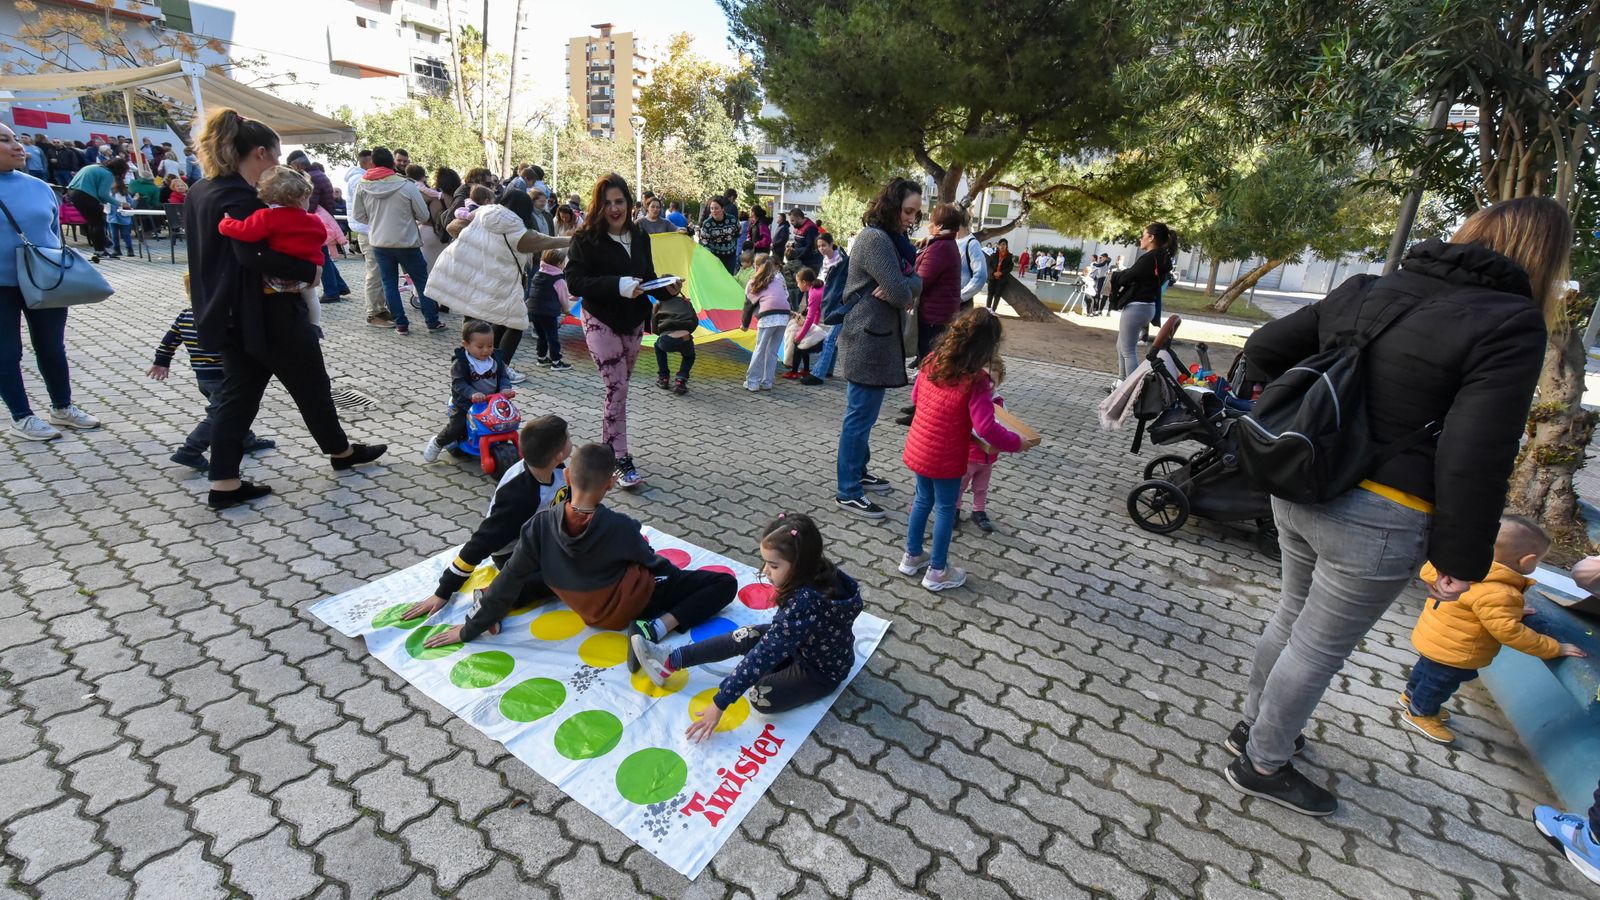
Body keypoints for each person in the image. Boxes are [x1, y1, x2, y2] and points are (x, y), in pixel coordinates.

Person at [1226, 197, 1571, 817]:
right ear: (1543, 259)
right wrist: (1461, 559)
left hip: (1302, 482)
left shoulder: (1372, 288)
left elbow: (1267, 346)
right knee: (1316, 646)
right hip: (1380, 516)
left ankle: (1254, 727)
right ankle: (1263, 762)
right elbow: (1476, 453)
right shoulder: (1509, 322)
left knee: (1291, 618)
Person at [185, 108, 386, 509]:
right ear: (259, 153)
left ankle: (224, 482)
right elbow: (252, 255)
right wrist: (308, 268)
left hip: (226, 314)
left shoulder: (200, 191)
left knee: (238, 397)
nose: (275, 166)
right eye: (275, 157)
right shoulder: (241, 198)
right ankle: (340, 453)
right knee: (311, 387)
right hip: (267, 313)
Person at [419, 443, 737, 651]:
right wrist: (673, 579)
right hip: (629, 608)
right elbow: (655, 564)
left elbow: (509, 578)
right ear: (610, 484)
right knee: (724, 583)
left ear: (567, 475)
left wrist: (469, 629)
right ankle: (659, 627)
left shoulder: (538, 526)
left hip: (577, 599)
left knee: (537, 572)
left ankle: (491, 606)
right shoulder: (623, 528)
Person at [633, 513, 864, 736]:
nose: (765, 571)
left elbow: (765, 654)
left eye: (773, 566)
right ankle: (671, 659)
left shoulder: (805, 602)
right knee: (745, 636)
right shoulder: (815, 570)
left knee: (760, 695)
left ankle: (765, 674)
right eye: (766, 563)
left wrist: (720, 702)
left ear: (800, 565)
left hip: (820, 670)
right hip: (800, 642)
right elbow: (775, 643)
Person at [1399, 517, 1584, 744]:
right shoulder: (1500, 593)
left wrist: (1511, 610)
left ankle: (1410, 696)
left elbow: (1480, 608)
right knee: (1439, 683)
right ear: (1527, 561)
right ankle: (1421, 712)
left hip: (1435, 637)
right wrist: (1554, 647)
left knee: (1427, 669)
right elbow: (1510, 632)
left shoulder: (1459, 568)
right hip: (1457, 651)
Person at [899, 308, 1031, 590]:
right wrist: (1016, 443)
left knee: (922, 499)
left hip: (920, 446)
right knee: (946, 508)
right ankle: (937, 571)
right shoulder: (977, 381)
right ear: (988, 346)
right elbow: (985, 428)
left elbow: (915, 396)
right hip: (946, 455)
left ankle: (911, 556)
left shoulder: (932, 360)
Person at [563, 173, 681, 490]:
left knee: (619, 390)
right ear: (598, 205)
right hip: (599, 320)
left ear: (629, 203)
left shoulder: (640, 235)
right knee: (617, 389)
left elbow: (648, 278)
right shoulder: (585, 238)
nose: (614, 208)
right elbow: (574, 282)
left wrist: (667, 288)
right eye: (607, 202)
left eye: (619, 201)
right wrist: (616, 285)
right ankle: (618, 458)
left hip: (633, 323)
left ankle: (608, 450)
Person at [402, 415, 572, 625]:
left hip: (538, 534)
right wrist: (443, 591)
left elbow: (569, 498)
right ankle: (492, 597)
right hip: (512, 552)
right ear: (559, 453)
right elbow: (480, 544)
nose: (571, 440)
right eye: (568, 437)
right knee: (563, 576)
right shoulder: (520, 497)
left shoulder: (556, 468)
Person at [0, 124, 100, 442]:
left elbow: (54, 233)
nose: (19, 146)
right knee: (6, 352)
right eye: (5, 140)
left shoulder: (38, 186)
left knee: (52, 348)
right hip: (1, 286)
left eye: (16, 138)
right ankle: (22, 416)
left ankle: (62, 408)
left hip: (45, 279)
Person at [834, 177, 924, 519]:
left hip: (877, 336)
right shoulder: (876, 240)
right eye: (907, 211)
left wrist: (908, 284)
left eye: (915, 213)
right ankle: (848, 491)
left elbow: (912, 283)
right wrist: (907, 286)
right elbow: (903, 294)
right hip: (867, 338)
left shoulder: (893, 241)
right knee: (858, 417)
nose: (911, 219)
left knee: (865, 416)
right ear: (891, 206)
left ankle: (858, 471)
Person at [429, 190, 569, 382]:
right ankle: (500, 369)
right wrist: (571, 240)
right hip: (499, 284)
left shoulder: (482, 214)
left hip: (475, 280)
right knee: (517, 322)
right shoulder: (516, 229)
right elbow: (542, 241)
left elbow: (452, 227)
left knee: (498, 321)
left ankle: (480, 365)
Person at [149, 290, 274, 472]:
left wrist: (161, 361)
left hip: (204, 377)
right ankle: (190, 450)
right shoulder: (224, 315)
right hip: (223, 376)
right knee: (222, 413)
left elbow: (170, 339)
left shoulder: (186, 313)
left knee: (236, 407)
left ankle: (245, 439)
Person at [351, 147, 440, 335]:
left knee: (389, 283)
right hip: (407, 242)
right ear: (392, 163)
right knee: (422, 281)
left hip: (379, 243)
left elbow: (358, 215)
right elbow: (423, 215)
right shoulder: (407, 185)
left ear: (373, 163)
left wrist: (377, 222)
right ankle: (432, 322)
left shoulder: (363, 185)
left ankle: (401, 324)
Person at [422, 321, 516, 462]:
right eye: (480, 347)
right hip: (466, 403)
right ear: (466, 345)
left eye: (490, 346)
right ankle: (438, 443)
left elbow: (503, 376)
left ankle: (502, 445)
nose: (486, 350)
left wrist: (505, 388)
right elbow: (458, 383)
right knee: (457, 426)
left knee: (507, 422)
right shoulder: (461, 363)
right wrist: (472, 393)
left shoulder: (495, 359)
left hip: (492, 402)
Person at [1108, 224, 1176, 381]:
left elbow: (1128, 277)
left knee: (1128, 350)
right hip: (1146, 306)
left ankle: (1134, 388)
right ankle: (1121, 383)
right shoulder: (1160, 257)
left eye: (1143, 235)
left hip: (1137, 307)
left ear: (1151, 237)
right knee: (1121, 346)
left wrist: (1117, 275)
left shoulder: (1150, 258)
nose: (1141, 239)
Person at [742, 253, 790, 391]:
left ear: (755, 266)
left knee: (760, 349)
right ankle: (767, 382)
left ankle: (752, 382)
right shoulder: (778, 279)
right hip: (783, 317)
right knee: (773, 351)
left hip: (769, 317)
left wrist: (744, 325)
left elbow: (748, 305)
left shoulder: (754, 282)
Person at [65, 155, 127, 261]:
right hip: (85, 195)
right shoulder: (108, 174)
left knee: (92, 222)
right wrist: (120, 204)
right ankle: (101, 251)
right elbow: (103, 194)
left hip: (73, 193)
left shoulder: (93, 167)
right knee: (98, 223)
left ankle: (99, 249)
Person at [809, 232, 849, 383]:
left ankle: (818, 374)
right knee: (833, 339)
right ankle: (828, 370)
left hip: (840, 304)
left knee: (829, 339)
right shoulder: (826, 260)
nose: (821, 249)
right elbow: (823, 279)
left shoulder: (842, 261)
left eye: (824, 245)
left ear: (832, 244)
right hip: (830, 303)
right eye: (819, 246)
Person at [529, 248, 574, 371]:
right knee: (552, 337)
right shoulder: (558, 279)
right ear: (559, 263)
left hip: (534, 311)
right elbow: (563, 298)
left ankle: (541, 358)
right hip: (548, 313)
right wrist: (566, 310)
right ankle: (556, 362)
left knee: (541, 336)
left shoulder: (538, 274)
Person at [652, 283, 698, 395]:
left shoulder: (659, 304)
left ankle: (663, 377)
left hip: (667, 339)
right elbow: (695, 321)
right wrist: (687, 331)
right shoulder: (685, 302)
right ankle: (681, 379)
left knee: (658, 347)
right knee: (689, 356)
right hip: (685, 338)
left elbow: (654, 329)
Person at [782, 266, 823, 381]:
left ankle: (794, 372)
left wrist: (799, 336)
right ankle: (805, 369)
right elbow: (817, 312)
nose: (797, 285)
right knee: (805, 339)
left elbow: (810, 318)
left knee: (797, 342)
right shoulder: (815, 289)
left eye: (798, 282)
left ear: (804, 283)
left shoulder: (813, 293)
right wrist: (812, 329)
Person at [699, 195, 739, 274]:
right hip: (714, 257)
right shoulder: (707, 224)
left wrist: (731, 244)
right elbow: (704, 242)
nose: (714, 211)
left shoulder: (732, 220)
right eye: (712, 208)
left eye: (716, 208)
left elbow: (738, 232)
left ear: (722, 209)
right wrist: (711, 255)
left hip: (730, 256)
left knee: (728, 278)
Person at [105, 174, 135, 259]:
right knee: (114, 234)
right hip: (112, 215)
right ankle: (116, 249)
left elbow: (131, 202)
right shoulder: (108, 192)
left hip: (123, 216)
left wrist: (127, 204)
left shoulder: (124, 193)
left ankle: (129, 249)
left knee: (125, 234)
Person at [985, 238, 1013, 311]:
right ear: (998, 246)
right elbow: (988, 265)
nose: (1002, 246)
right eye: (1000, 245)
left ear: (1006, 246)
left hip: (1002, 278)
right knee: (990, 294)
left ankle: (993, 310)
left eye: (1004, 244)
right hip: (992, 277)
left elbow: (1010, 267)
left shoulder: (1009, 256)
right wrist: (993, 272)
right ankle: (988, 308)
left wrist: (1001, 273)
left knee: (997, 295)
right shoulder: (993, 255)